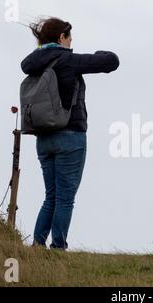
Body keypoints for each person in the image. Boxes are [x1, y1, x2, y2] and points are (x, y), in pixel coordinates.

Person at [21, 17, 120, 250]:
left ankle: (37, 245)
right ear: (61, 38)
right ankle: (57, 248)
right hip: (70, 137)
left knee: (51, 196)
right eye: (70, 38)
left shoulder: (33, 62)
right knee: (65, 198)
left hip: (43, 137)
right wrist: (97, 51)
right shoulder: (68, 60)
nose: (71, 42)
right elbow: (111, 61)